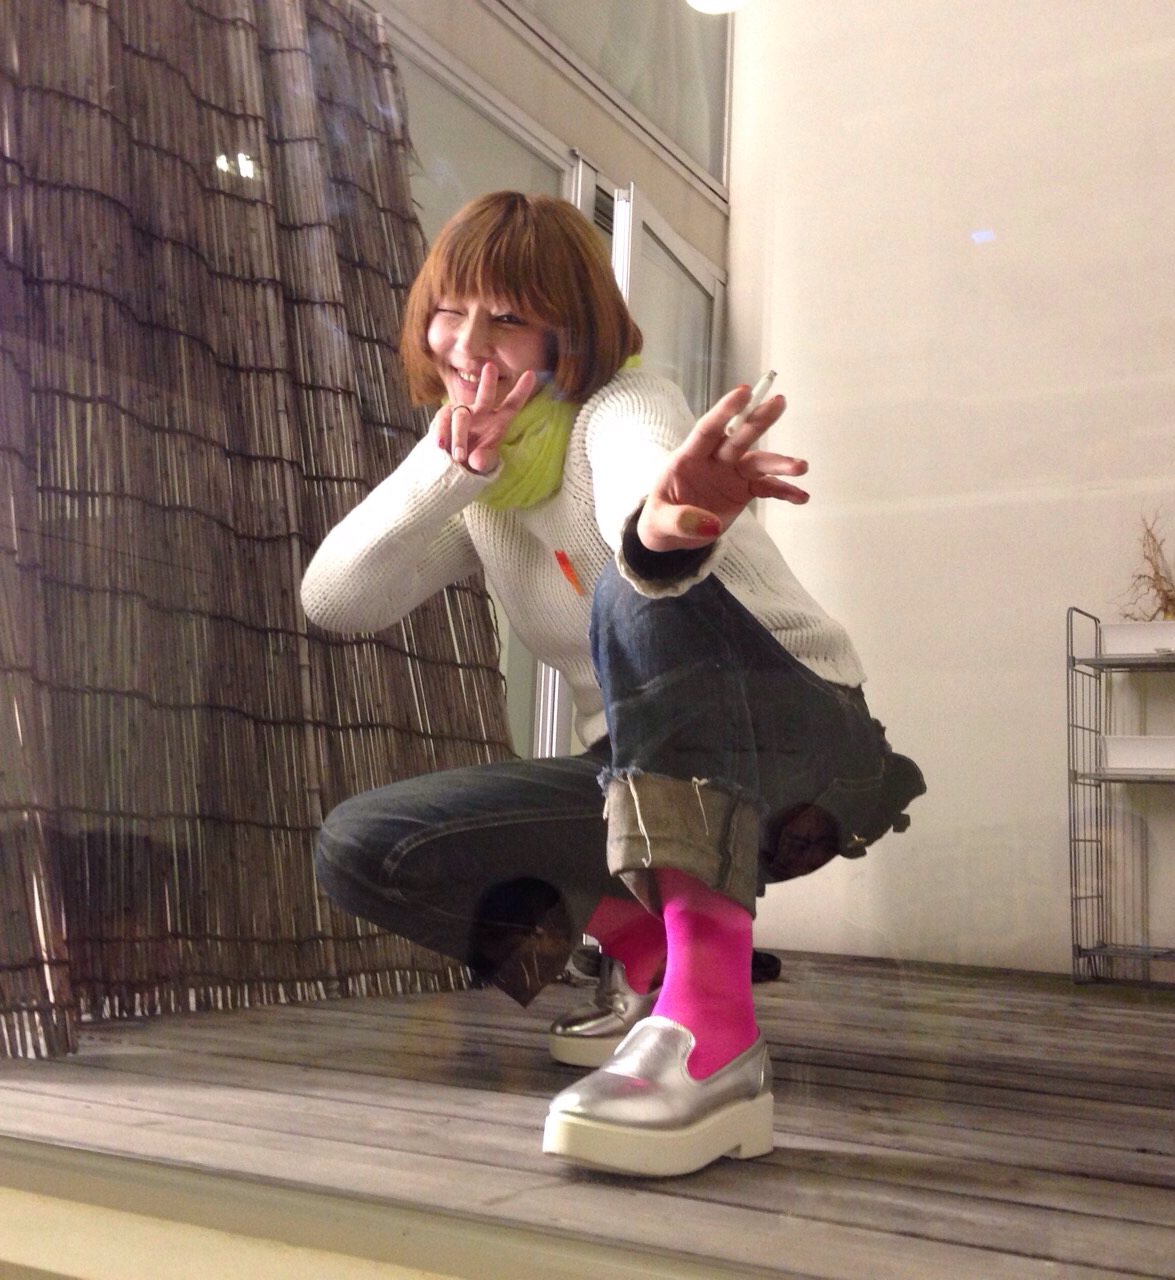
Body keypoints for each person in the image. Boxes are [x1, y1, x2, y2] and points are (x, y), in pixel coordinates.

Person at [301, 191, 924, 1178]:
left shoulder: (624, 404)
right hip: (640, 782)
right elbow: (336, 600)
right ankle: (651, 963)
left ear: (569, 330)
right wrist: (448, 475)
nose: (468, 343)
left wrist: (666, 519)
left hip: (806, 741)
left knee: (638, 587)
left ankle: (714, 1036)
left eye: (507, 316)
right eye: (448, 308)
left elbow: (642, 492)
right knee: (367, 848)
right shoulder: (476, 479)